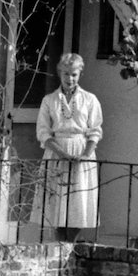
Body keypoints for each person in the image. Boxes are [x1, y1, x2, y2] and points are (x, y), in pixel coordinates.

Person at [36, 52, 102, 241]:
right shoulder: (49, 100)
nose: (70, 78)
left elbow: (95, 130)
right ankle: (60, 247)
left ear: (80, 74)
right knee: (57, 203)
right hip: (57, 153)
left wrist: (85, 154)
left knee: (77, 204)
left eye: (74, 74)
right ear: (59, 74)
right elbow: (43, 132)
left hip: (81, 154)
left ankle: (70, 247)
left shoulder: (90, 100)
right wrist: (61, 153)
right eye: (66, 74)